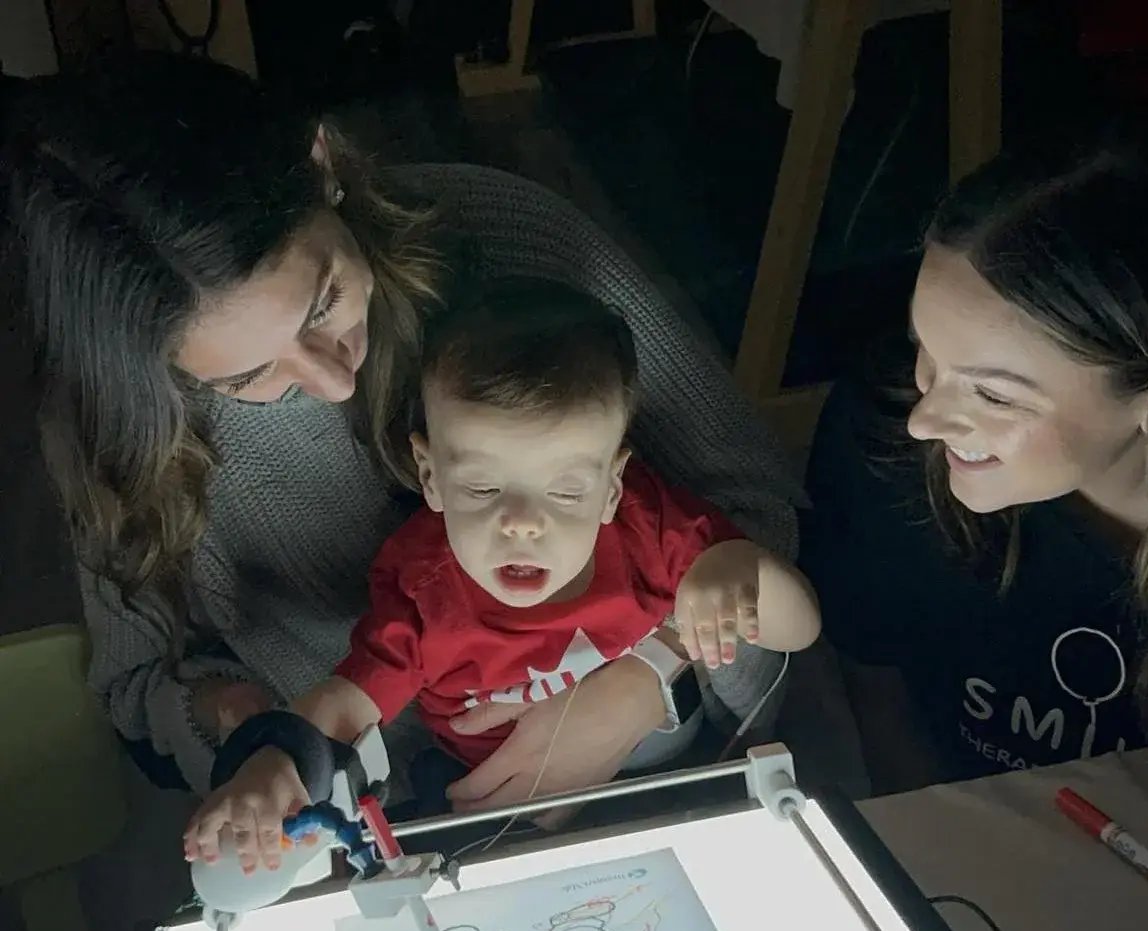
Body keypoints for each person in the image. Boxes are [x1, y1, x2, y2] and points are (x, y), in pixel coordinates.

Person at [4, 53, 803, 816]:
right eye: (245, 381)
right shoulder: (117, 425)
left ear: (321, 164)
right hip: (379, 814)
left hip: (675, 757)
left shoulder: (512, 240)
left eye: (324, 304)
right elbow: (140, 683)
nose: (330, 380)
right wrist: (241, 722)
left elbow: (752, 508)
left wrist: (643, 680)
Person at [183, 278, 819, 871]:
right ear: (431, 477)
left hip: (680, 773)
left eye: (566, 494)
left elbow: (800, 630)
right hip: (499, 813)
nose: (521, 524)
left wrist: (740, 567)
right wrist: (272, 764)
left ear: (610, 486)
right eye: (484, 487)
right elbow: (350, 701)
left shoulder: (652, 530)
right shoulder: (424, 590)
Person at [802, 137, 1148, 791]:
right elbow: (875, 693)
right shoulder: (885, 447)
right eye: (926, 350)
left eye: (993, 395)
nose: (924, 420)